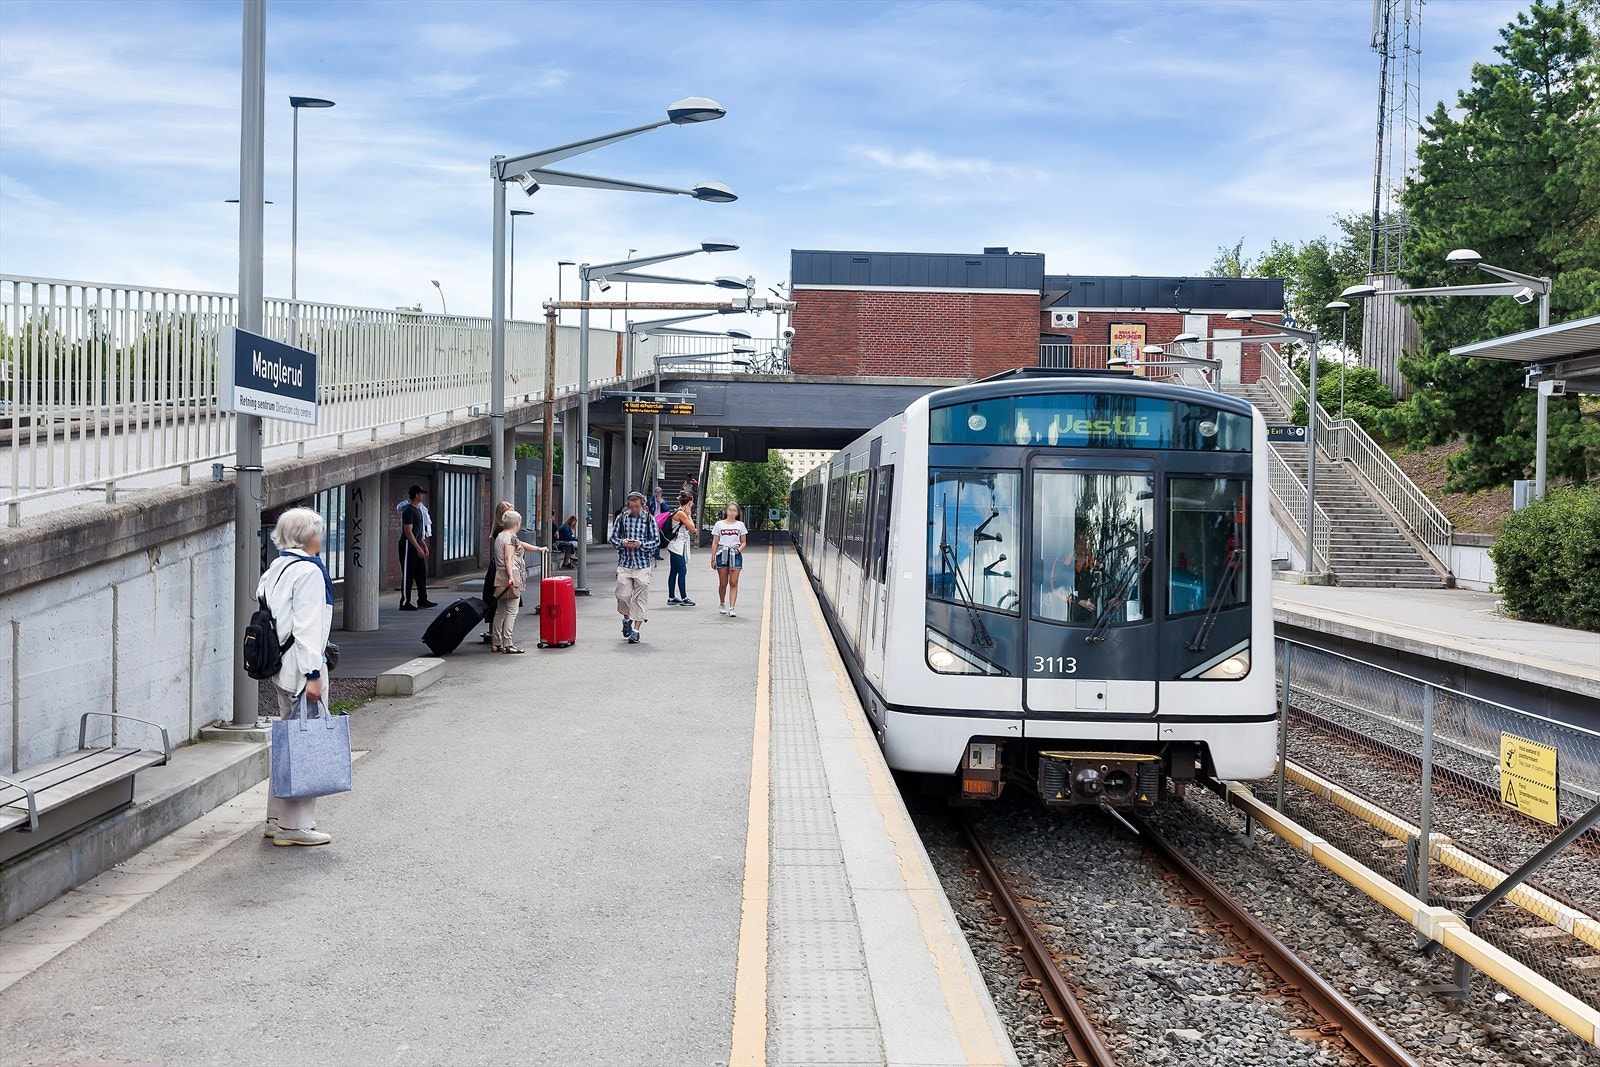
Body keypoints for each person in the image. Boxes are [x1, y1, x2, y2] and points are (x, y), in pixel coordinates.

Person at [257, 507, 335, 847]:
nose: (321, 535)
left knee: (289, 738)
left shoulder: (277, 568)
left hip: (280, 666)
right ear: (308, 537)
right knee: (307, 741)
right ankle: (295, 826)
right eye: (318, 530)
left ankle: (276, 817)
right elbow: (308, 627)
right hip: (303, 666)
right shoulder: (309, 572)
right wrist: (314, 673)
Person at [491, 509, 547, 653]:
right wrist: (510, 576)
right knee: (512, 610)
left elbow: (520, 545)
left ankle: (496, 642)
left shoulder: (502, 536)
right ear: (517, 523)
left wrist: (537, 549)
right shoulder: (510, 537)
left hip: (499, 575)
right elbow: (508, 558)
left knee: (500, 610)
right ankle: (508, 643)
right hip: (511, 574)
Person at [610, 491, 659, 644]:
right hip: (625, 563)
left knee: (640, 597)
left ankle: (636, 631)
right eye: (632, 507)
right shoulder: (622, 518)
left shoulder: (649, 520)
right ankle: (626, 620)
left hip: (642, 564)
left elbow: (656, 541)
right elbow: (613, 538)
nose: (635, 510)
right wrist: (623, 542)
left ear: (642, 505)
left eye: (637, 506)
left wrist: (641, 544)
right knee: (622, 596)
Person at [397, 485, 434, 611]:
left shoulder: (418, 510)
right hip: (408, 545)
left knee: (420, 573)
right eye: (421, 493)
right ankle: (404, 602)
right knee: (408, 573)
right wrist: (418, 548)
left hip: (416, 544)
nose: (423, 496)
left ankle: (422, 599)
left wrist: (423, 545)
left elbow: (418, 532)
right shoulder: (409, 510)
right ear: (417, 495)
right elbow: (408, 532)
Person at [712, 502, 749, 617]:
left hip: (735, 554)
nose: (732, 512)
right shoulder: (719, 525)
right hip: (722, 554)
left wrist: (738, 550)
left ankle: (732, 607)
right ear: (726, 511)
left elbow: (743, 542)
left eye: (735, 510)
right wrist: (712, 558)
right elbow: (715, 542)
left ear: (737, 513)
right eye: (730, 510)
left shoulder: (740, 525)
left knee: (734, 582)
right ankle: (722, 603)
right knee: (723, 583)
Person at [665, 489, 700, 607]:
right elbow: (692, 528)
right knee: (682, 571)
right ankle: (684, 597)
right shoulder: (681, 513)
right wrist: (689, 514)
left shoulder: (678, 512)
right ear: (689, 503)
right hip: (676, 546)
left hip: (675, 545)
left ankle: (671, 597)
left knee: (674, 571)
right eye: (692, 503)